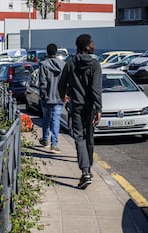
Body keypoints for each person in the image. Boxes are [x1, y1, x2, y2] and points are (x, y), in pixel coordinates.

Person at [58, 34, 102, 189]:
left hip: (76, 106)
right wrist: (99, 108)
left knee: (79, 137)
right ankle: (88, 169)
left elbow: (61, 84)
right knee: (89, 137)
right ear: (86, 47)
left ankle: (85, 172)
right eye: (92, 43)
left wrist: (64, 97)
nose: (94, 45)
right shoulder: (95, 65)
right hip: (90, 107)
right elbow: (96, 89)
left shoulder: (70, 64)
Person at [38, 43, 66, 154]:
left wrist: (43, 94)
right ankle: (54, 144)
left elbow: (42, 82)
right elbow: (65, 82)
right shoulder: (63, 65)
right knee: (56, 120)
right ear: (56, 52)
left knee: (46, 119)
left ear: (47, 52)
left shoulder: (43, 64)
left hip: (47, 98)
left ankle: (45, 140)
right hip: (59, 98)